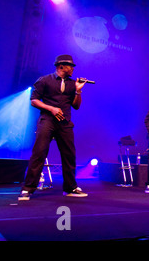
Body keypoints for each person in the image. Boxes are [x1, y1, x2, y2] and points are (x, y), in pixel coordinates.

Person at [18, 55, 88, 200]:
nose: (73, 69)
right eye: (71, 66)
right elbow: (34, 100)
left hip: (65, 122)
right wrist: (51, 108)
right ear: (61, 66)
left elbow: (76, 106)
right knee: (39, 153)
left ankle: (70, 187)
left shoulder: (72, 84)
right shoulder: (44, 80)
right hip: (47, 120)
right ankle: (28, 188)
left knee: (69, 155)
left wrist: (78, 90)